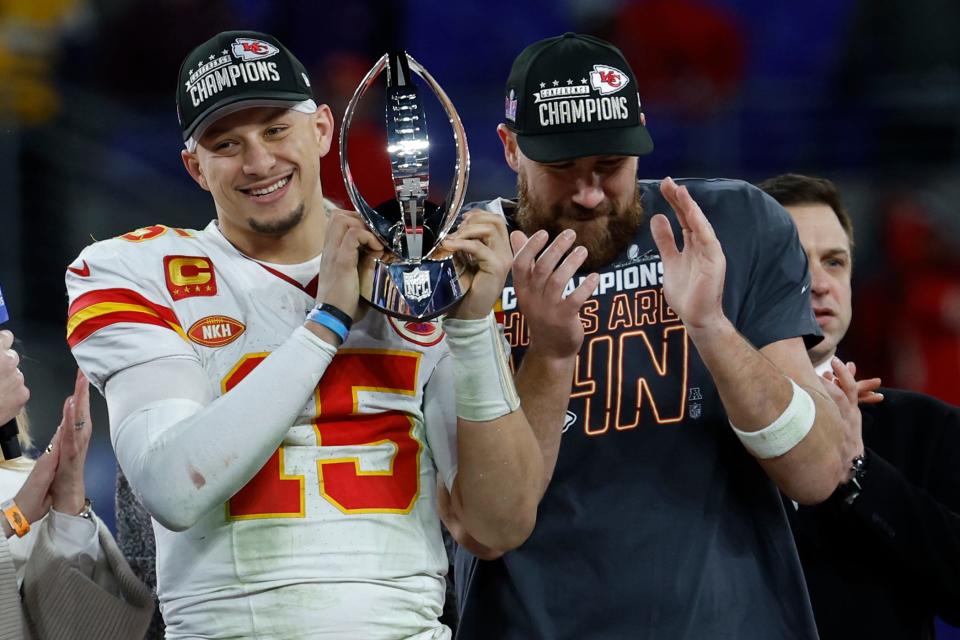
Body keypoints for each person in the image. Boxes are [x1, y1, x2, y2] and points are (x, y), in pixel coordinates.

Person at [65, 30, 544, 639]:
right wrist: (327, 324)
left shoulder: (419, 269)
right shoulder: (133, 270)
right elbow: (171, 489)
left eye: (274, 130)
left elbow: (499, 525)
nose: (259, 161)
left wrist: (473, 328)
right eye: (227, 143)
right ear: (194, 165)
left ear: (321, 129)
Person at [449, 33, 856, 640]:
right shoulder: (463, 264)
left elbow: (819, 472)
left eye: (610, 166)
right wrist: (551, 354)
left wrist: (712, 326)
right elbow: (482, 529)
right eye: (562, 169)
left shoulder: (733, 227)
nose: (589, 194)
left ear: (643, 136)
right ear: (510, 149)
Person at [758, 173, 960, 640]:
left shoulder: (926, 427)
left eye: (835, 262)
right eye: (790, 260)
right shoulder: (693, 426)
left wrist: (859, 472)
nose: (819, 283)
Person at [0, 331, 153, 639]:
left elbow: (85, 631)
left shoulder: (28, 484)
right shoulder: (24, 499)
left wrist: (68, 506)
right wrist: (12, 518)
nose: (7, 339)